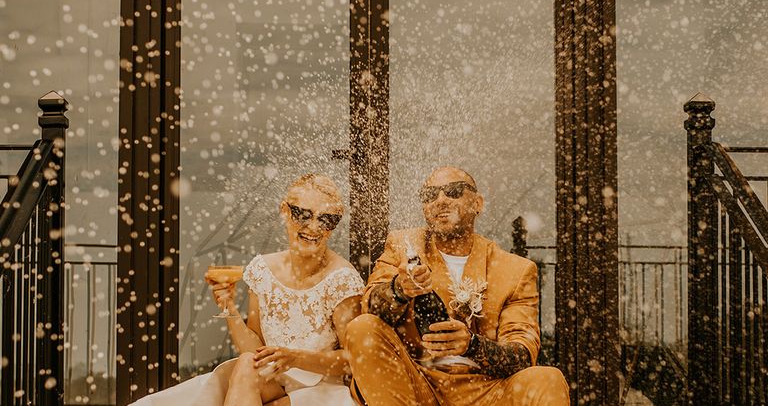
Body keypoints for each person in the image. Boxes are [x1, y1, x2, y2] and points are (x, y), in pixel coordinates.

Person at [130, 173, 364, 406]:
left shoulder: (341, 279)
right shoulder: (264, 270)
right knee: (245, 363)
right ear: (285, 210)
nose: (313, 227)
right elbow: (255, 349)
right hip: (270, 382)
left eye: (327, 220)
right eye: (303, 214)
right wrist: (228, 307)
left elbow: (352, 360)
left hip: (319, 392)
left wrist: (295, 358)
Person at [345, 166, 570, 406]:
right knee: (363, 327)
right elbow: (369, 307)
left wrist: (471, 345)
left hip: (488, 391)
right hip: (418, 383)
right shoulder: (404, 245)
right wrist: (399, 289)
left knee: (547, 378)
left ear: (478, 203)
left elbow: (522, 355)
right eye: (430, 195)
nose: (440, 200)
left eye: (453, 191)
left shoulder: (515, 270)